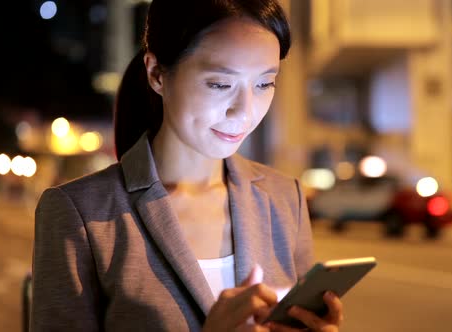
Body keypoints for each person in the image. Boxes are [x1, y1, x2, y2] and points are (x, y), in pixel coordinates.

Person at [30, 0, 344, 331]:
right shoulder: (79, 212)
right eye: (221, 84)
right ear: (157, 74)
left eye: (264, 84)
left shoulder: (285, 198)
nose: (244, 111)